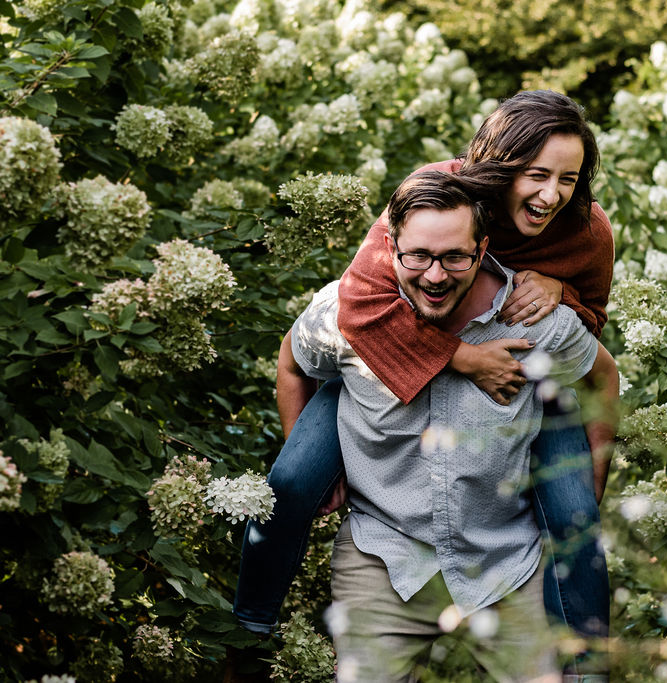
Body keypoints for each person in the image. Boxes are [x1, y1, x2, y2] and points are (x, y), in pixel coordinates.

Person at [234, 90, 615, 674]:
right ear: (501, 165)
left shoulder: (586, 233)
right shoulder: (428, 195)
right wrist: (462, 356)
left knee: (577, 521)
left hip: (508, 537)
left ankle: (585, 665)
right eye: (536, 174)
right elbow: (355, 307)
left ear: (480, 248)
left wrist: (560, 293)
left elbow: (593, 323)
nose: (550, 194)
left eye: (567, 178)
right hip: (381, 363)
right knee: (287, 484)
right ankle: (248, 634)